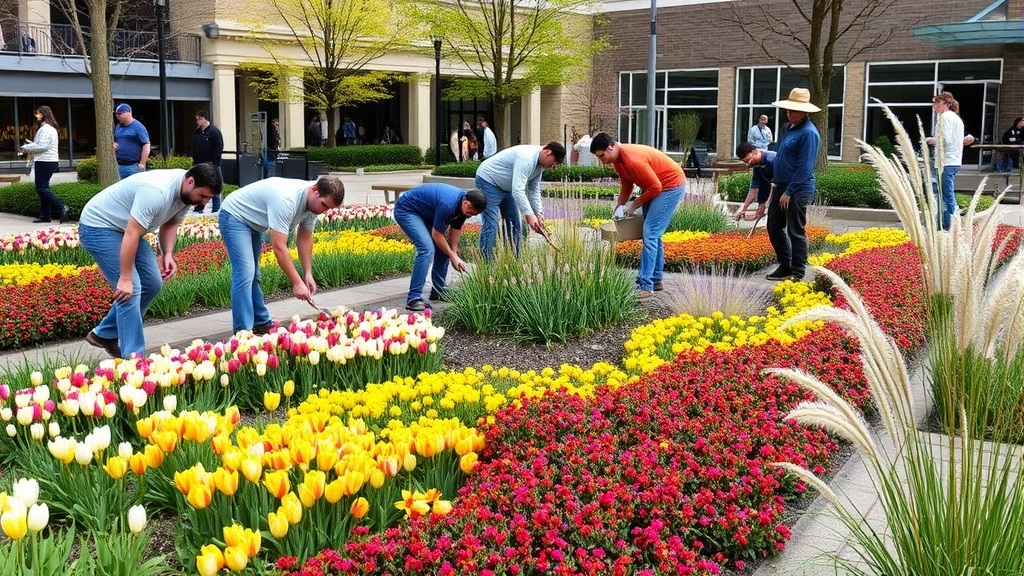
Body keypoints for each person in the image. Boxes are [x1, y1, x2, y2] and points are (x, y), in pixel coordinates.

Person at [79, 164, 222, 358]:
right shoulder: (157, 192)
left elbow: (170, 222)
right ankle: (134, 360)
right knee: (131, 289)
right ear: (190, 182)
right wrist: (125, 278)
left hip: (125, 229)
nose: (203, 203)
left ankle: (104, 334)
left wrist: (168, 253)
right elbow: (132, 233)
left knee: (153, 283)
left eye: (208, 198)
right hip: (99, 226)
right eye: (203, 196)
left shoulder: (186, 195)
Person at [219, 176, 345, 334]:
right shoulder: (286, 200)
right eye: (324, 205)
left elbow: (305, 239)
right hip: (234, 215)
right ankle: (242, 332)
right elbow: (279, 247)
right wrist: (297, 283)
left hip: (254, 223)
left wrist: (307, 273)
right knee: (245, 272)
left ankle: (261, 322)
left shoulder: (313, 204)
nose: (323, 211)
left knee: (254, 273)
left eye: (328, 208)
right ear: (314, 190)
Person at [590, 133, 686, 298]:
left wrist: (633, 205)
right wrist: (619, 205)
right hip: (656, 187)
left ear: (611, 147)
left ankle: (645, 286)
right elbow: (627, 184)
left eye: (602, 155)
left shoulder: (633, 159)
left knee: (650, 233)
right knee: (653, 235)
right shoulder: (618, 161)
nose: (602, 160)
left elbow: (656, 187)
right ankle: (656, 280)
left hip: (670, 186)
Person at [393, 185, 487, 311]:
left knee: (444, 248)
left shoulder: (463, 207)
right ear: (466, 204)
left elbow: (456, 228)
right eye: (470, 213)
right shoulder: (447, 205)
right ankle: (413, 298)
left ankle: (438, 290)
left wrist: (453, 254)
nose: (469, 216)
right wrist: (453, 256)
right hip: (407, 210)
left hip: (426, 213)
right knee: (427, 249)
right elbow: (437, 235)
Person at [475, 142, 564, 260]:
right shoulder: (527, 158)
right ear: (547, 152)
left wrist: (538, 214)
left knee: (514, 224)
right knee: (491, 224)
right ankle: (485, 266)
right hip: (488, 181)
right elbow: (518, 190)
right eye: (555, 162)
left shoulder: (540, 165)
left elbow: (533, 189)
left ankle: (512, 262)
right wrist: (529, 215)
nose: (554, 166)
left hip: (507, 187)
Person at [767, 87, 820, 281]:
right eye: (788, 110)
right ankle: (785, 264)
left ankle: (798, 272)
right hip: (781, 185)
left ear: (805, 111)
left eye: (794, 110)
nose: (790, 114)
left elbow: (804, 167)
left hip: (797, 188)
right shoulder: (787, 128)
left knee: (795, 230)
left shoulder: (808, 133)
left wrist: (789, 191)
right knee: (773, 226)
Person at [20, 105, 68, 224]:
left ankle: (62, 207)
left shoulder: (46, 129)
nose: (36, 116)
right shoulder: (46, 128)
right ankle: (45, 216)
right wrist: (30, 145)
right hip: (46, 161)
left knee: (41, 188)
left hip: (45, 161)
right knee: (43, 187)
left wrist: (26, 147)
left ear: (44, 115)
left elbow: (42, 146)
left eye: (38, 114)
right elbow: (41, 144)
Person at [925, 92, 964, 231]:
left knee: (945, 197)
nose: (934, 106)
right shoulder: (956, 118)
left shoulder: (945, 117)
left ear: (945, 104)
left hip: (945, 163)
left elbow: (945, 140)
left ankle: (949, 226)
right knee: (946, 195)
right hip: (953, 161)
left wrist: (930, 140)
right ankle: (946, 224)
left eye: (936, 103)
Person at [191, 110, 224, 213]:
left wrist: (214, 163)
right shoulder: (197, 132)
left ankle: (216, 208)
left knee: (214, 186)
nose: (197, 122)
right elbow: (194, 146)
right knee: (200, 186)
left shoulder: (214, 132)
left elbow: (218, 147)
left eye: (199, 119)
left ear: (204, 118)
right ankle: (199, 208)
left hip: (211, 164)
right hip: (199, 163)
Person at [733, 142, 775, 222]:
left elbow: (775, 185)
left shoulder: (772, 159)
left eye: (748, 160)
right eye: (745, 162)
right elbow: (754, 189)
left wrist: (764, 204)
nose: (748, 163)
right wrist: (743, 208)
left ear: (754, 151)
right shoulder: (756, 165)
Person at [113, 103, 150, 180]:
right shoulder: (118, 126)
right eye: (116, 114)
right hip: (119, 165)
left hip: (134, 166)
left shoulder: (138, 127)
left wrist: (142, 163)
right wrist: (114, 145)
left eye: (120, 114)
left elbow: (146, 144)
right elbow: (117, 140)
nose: (118, 116)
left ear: (129, 112)